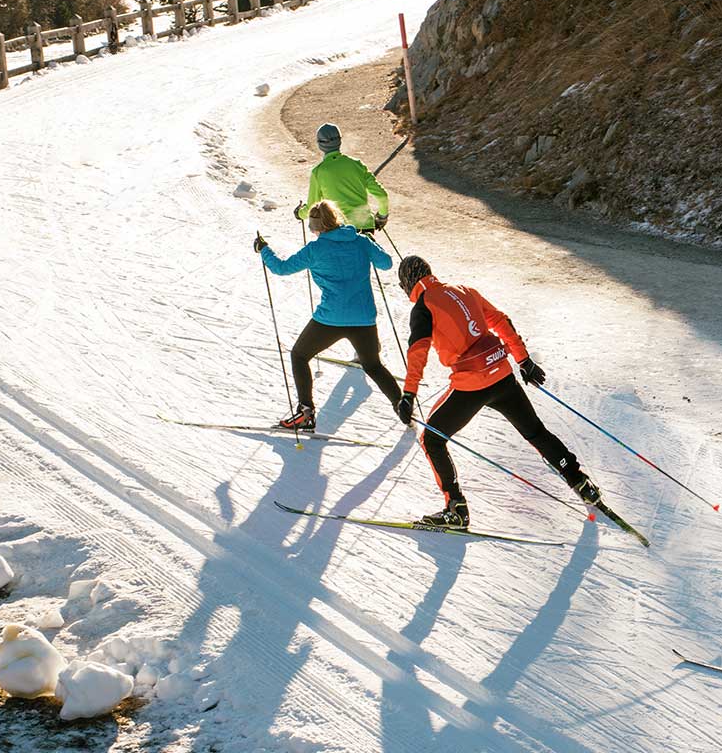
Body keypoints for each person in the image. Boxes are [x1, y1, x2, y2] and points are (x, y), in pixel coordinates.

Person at [393, 255, 602, 529]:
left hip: (471, 385)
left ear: (408, 284)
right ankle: (581, 483)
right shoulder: (464, 290)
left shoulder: (423, 307)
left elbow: (418, 351)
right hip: (502, 374)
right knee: (536, 432)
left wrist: (409, 394)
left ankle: (455, 509)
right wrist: (523, 361)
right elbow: (500, 321)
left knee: (432, 439)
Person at [254, 201, 404, 430]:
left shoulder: (315, 249)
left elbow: (281, 268)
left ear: (317, 228)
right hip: (363, 318)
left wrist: (264, 249)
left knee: (300, 355)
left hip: (329, 319)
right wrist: (371, 243)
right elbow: (386, 263)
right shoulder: (360, 241)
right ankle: (402, 405)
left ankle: (306, 412)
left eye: (312, 228)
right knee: (372, 365)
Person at [294, 123, 390, 234]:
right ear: (339, 140)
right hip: (365, 227)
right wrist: (382, 216)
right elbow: (382, 196)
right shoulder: (357, 165)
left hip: (339, 229)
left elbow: (312, 207)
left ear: (320, 144)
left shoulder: (319, 172)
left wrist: (299, 213)